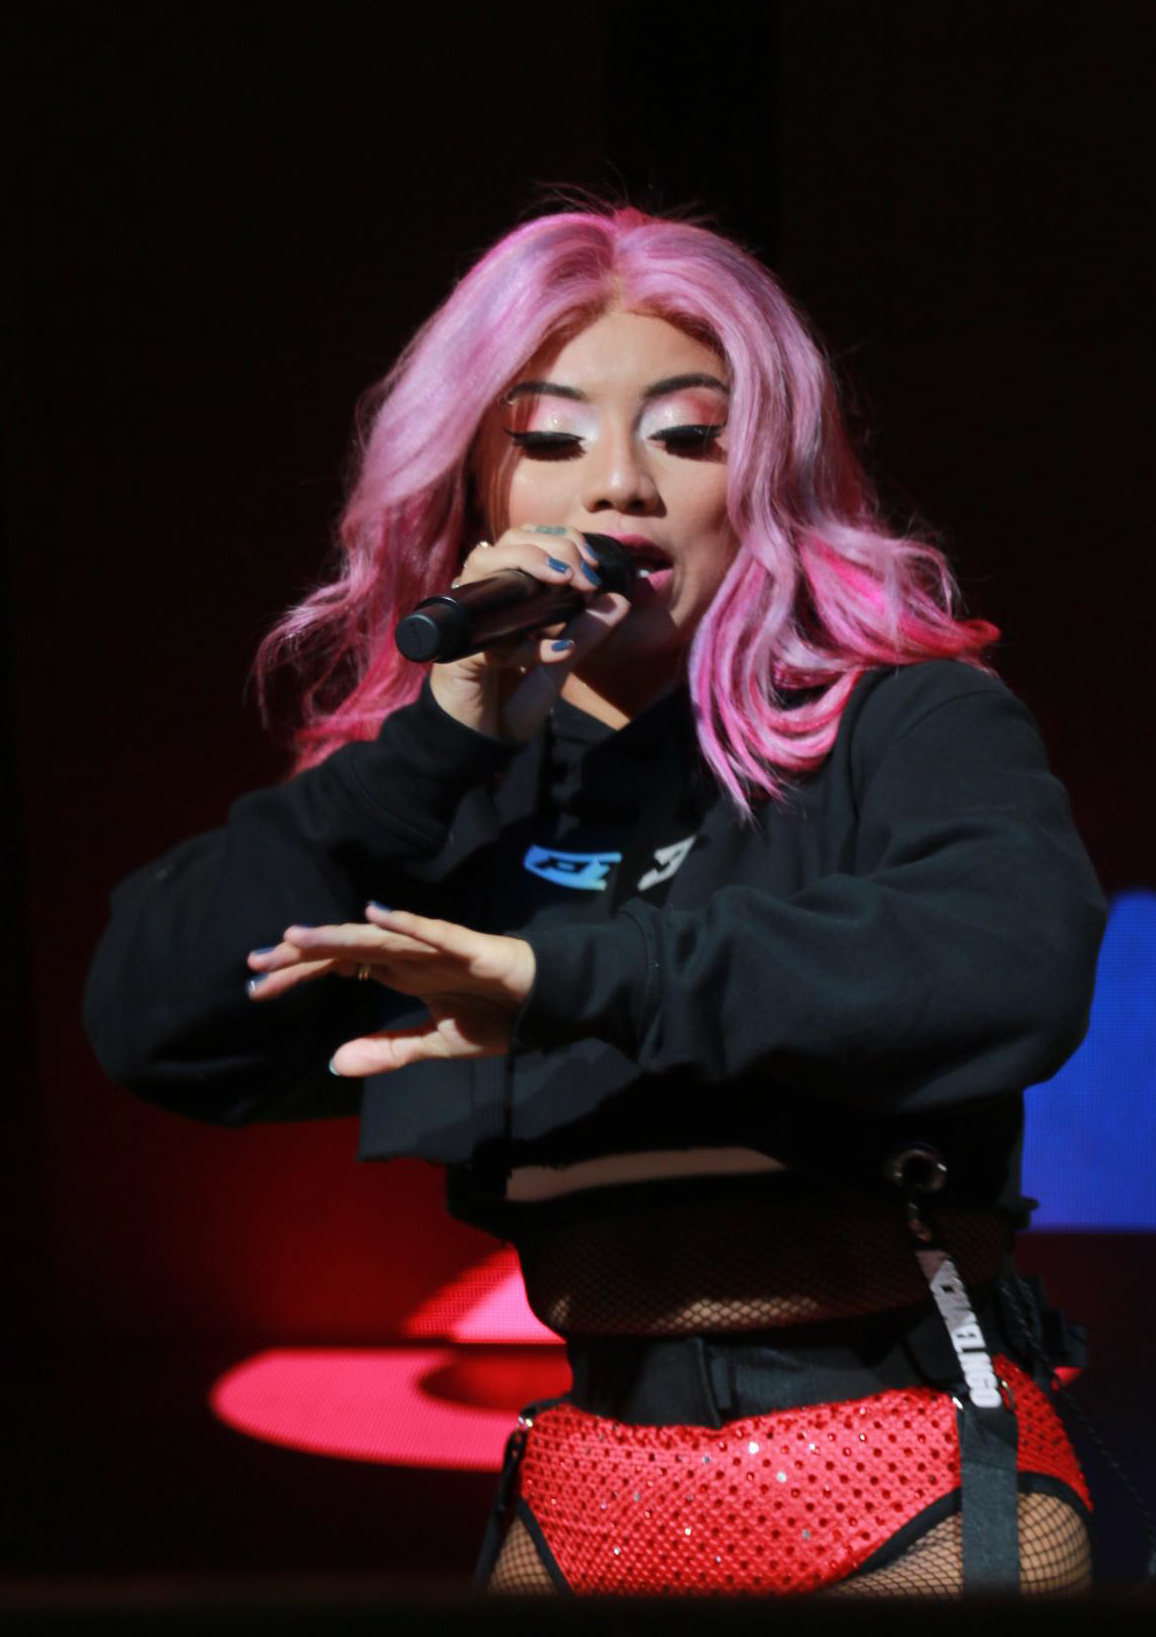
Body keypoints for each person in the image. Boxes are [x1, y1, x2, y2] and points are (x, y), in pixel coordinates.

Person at [85, 205, 1106, 1596]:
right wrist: (426, 753)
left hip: (901, 1459)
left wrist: (559, 981)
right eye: (551, 441)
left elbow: (1009, 956)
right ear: (476, 491)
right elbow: (158, 1021)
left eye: (689, 435)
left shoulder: (897, 723)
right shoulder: (456, 800)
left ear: (768, 475)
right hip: (593, 1481)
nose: (619, 487)